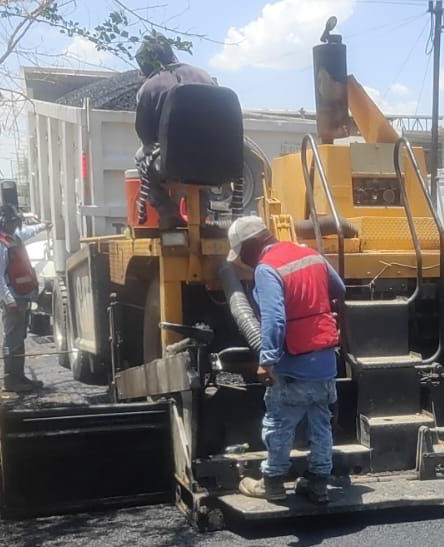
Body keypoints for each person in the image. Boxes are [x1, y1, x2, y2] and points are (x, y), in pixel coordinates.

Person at [229, 216, 346, 504]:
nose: (242, 260)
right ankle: (318, 484)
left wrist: (266, 360)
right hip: (325, 360)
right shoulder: (311, 255)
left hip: (293, 364)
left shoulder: (268, 269)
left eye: (241, 253)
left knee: (279, 422)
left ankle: (273, 483)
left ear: (250, 245)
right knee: (321, 422)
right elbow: (339, 288)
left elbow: (274, 319)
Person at [134, 34, 217, 230]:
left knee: (140, 156)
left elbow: (145, 135)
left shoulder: (150, 87)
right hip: (215, 162)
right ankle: (201, 213)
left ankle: (169, 213)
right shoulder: (205, 77)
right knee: (201, 169)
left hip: (173, 163)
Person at [0, 204, 48, 393]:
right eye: (13, 222)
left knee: (19, 339)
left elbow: (27, 232)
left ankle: (19, 377)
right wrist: (8, 300)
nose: (16, 225)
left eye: (17, 222)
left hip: (23, 297)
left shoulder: (14, 237)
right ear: (5, 222)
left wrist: (44, 226)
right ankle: (10, 380)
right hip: (13, 299)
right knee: (11, 340)